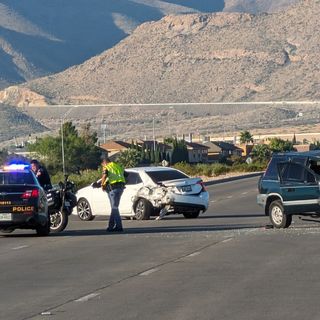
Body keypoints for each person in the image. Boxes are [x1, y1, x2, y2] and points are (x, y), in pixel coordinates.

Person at [101, 157, 126, 232]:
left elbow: (104, 175)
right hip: (121, 188)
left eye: (102, 165)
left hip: (113, 189)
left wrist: (102, 184)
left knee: (114, 208)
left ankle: (119, 226)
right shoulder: (117, 166)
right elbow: (126, 174)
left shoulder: (107, 167)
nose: (103, 166)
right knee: (114, 208)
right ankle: (110, 226)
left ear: (104, 163)